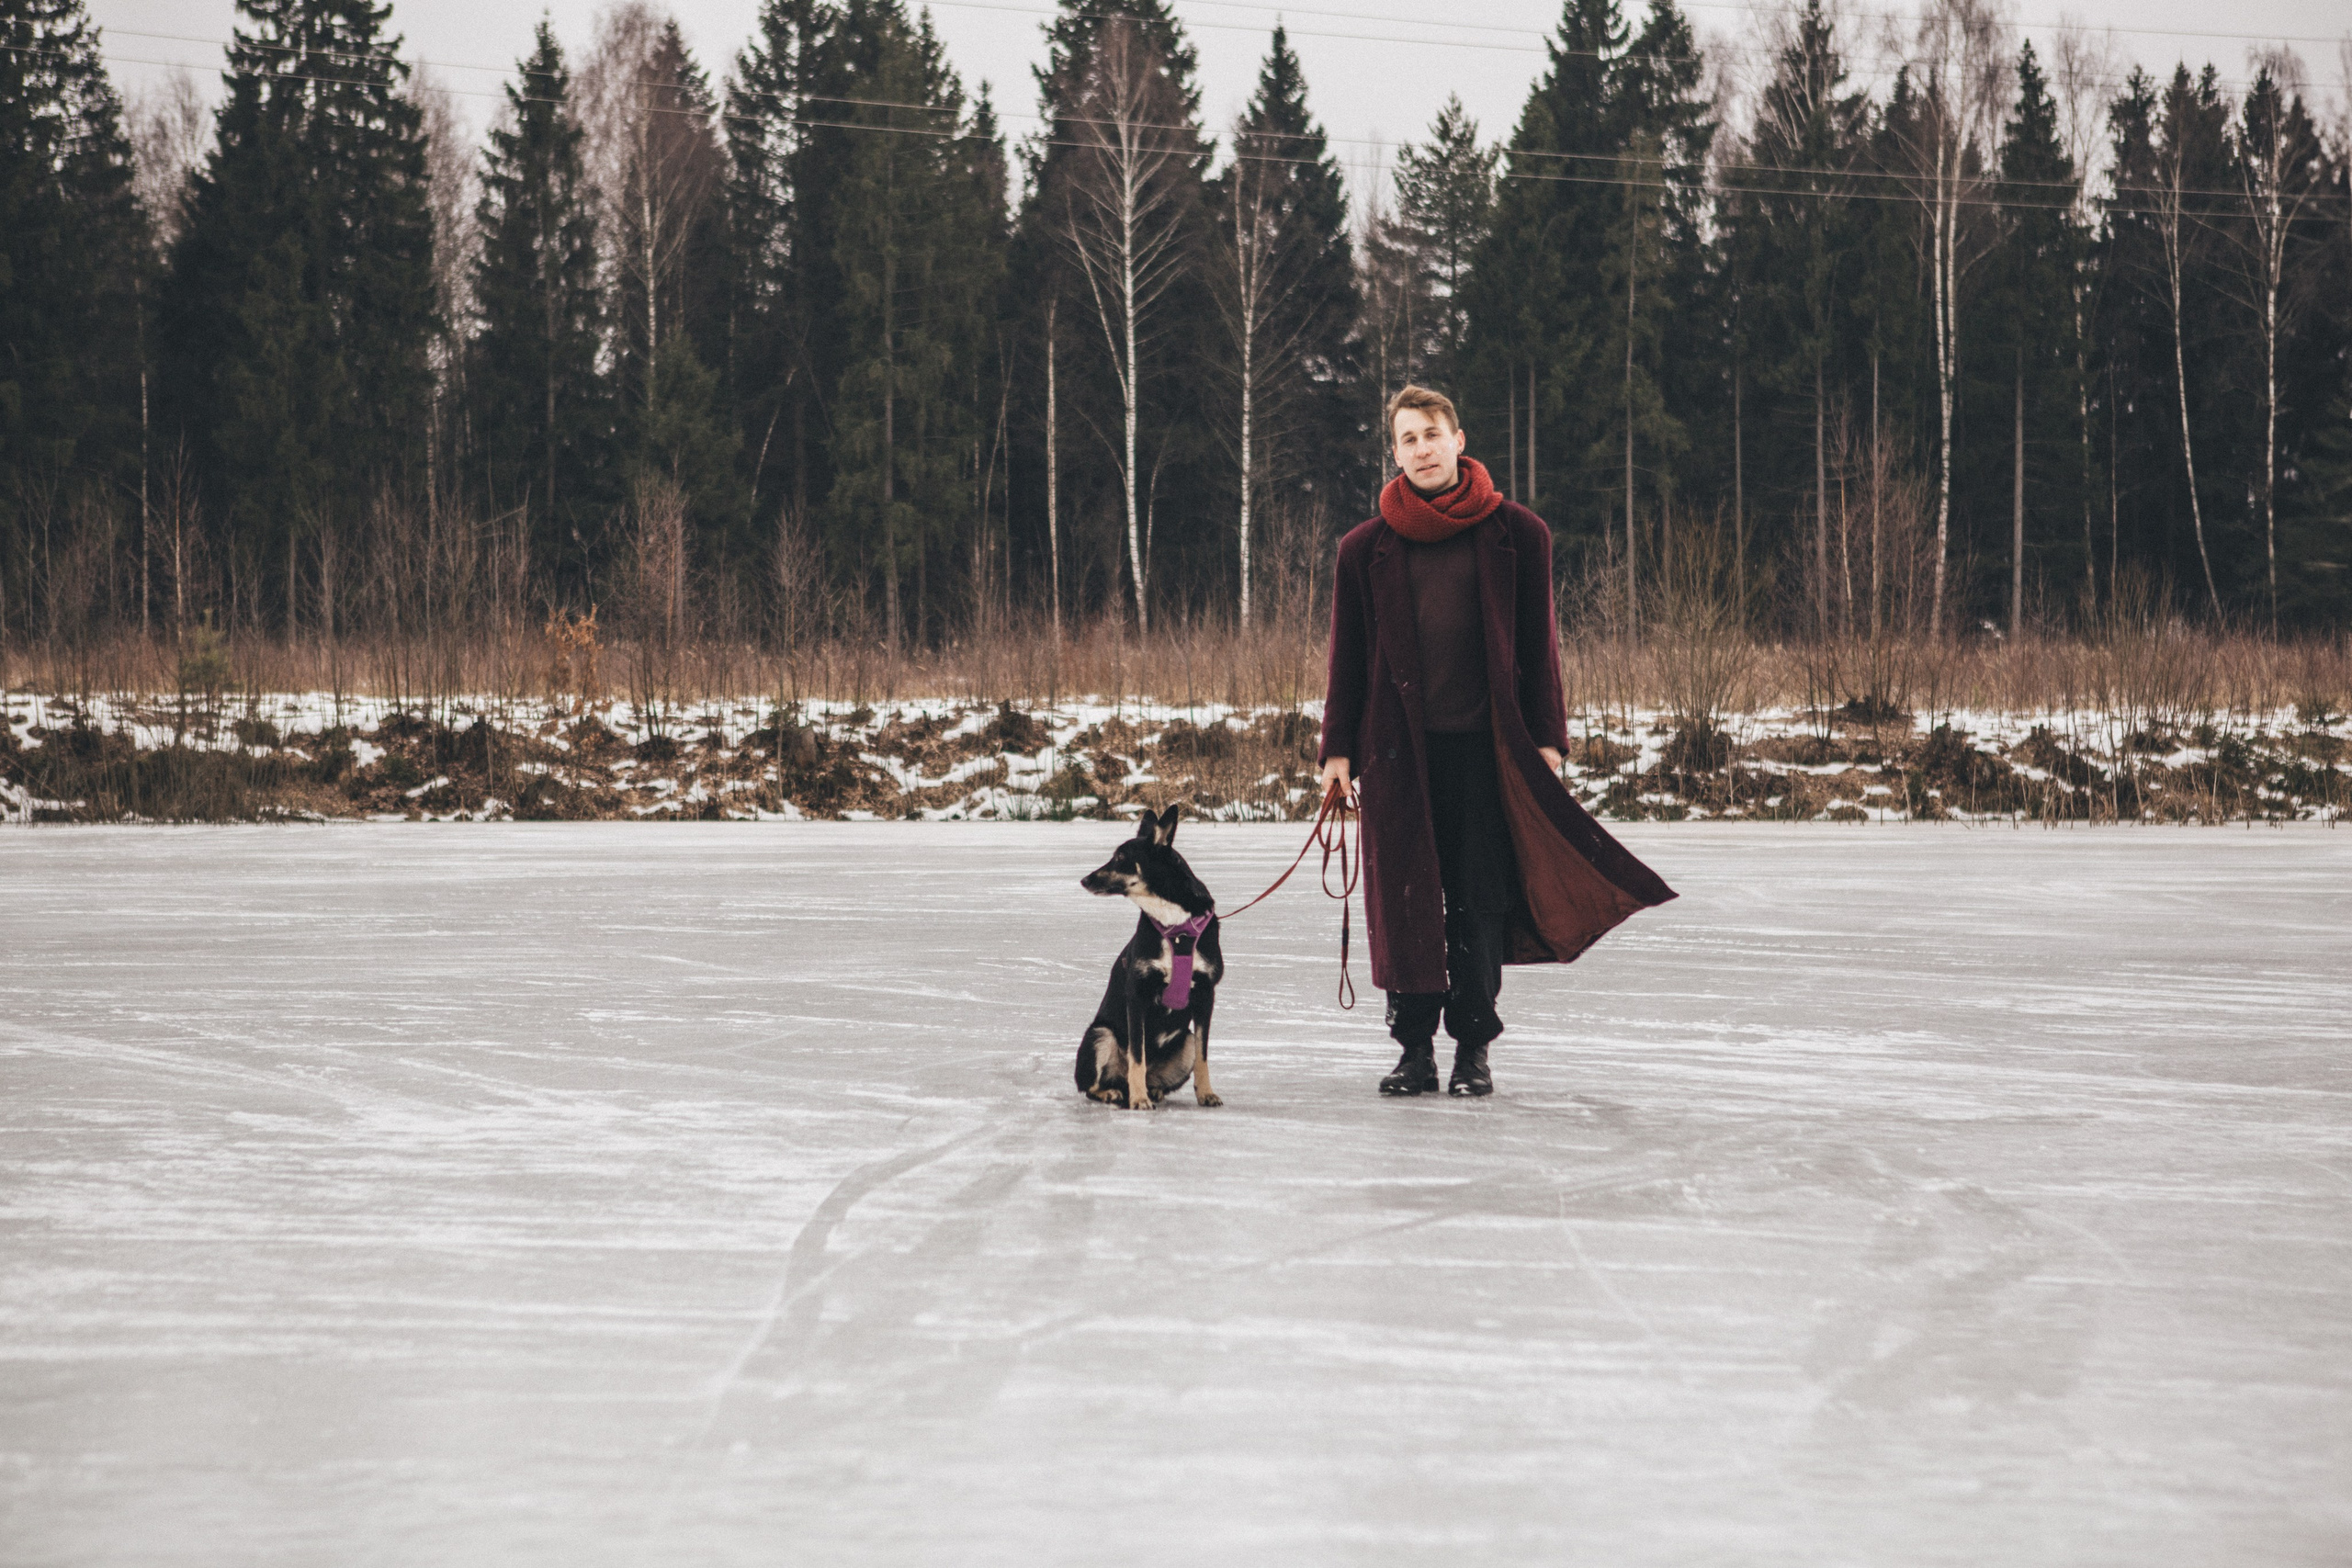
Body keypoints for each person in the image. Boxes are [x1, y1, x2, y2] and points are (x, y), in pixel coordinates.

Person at [1317, 386, 1677, 1098]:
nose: (1420, 449)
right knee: (1407, 900)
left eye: (1431, 434)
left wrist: (1547, 740)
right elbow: (1347, 660)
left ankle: (1472, 1050)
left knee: (1480, 900)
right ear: (1394, 452)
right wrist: (1336, 753)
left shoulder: (1519, 534)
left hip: (1489, 757)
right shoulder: (1364, 550)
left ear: (1459, 439)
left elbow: (1541, 646)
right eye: (1406, 439)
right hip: (1398, 758)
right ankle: (1413, 1048)